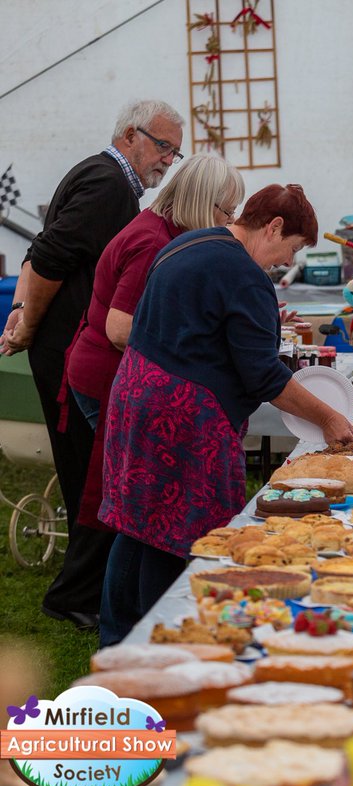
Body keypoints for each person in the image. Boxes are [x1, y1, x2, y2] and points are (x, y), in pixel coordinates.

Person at [98, 184, 353, 645]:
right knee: (174, 532)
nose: (284, 262)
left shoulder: (190, 242)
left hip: (135, 392)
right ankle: (166, 635)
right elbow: (264, 376)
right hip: (181, 416)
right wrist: (329, 417)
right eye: (291, 248)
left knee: (135, 522)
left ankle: (118, 637)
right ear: (273, 226)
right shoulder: (243, 274)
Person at [0, 99, 184, 630]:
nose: (168, 161)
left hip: (65, 344)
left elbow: (41, 251)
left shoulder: (98, 173)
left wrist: (19, 312)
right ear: (131, 135)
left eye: (174, 152)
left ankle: (83, 586)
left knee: (89, 470)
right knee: (91, 475)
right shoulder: (109, 184)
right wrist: (29, 323)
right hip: (69, 349)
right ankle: (74, 595)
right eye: (163, 147)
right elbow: (50, 257)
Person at [65, 154, 244, 559]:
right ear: (202, 201)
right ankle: (95, 594)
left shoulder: (163, 230)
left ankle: (108, 593)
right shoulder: (154, 243)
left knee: (129, 495)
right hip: (106, 375)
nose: (229, 220)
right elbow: (119, 327)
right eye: (226, 210)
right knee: (129, 496)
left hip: (115, 374)